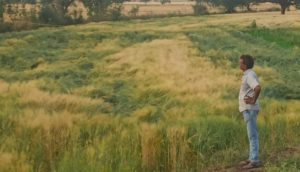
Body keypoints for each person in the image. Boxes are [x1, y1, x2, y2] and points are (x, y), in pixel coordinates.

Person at [238, 55, 262, 169]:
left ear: (245, 65)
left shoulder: (250, 75)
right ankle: (252, 157)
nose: (239, 64)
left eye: (240, 62)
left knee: (252, 135)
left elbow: (257, 87)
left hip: (250, 109)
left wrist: (253, 100)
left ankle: (255, 160)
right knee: (251, 134)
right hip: (248, 109)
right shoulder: (247, 75)